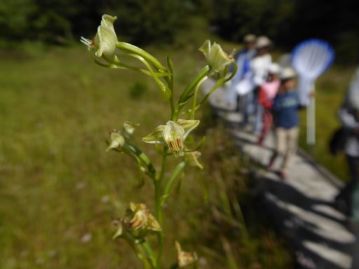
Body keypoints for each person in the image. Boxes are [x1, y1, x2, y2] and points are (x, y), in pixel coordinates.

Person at [334, 68, 359, 217]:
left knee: (356, 179)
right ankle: (353, 215)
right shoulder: (353, 94)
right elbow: (342, 112)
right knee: (357, 178)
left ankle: (342, 197)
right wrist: (353, 128)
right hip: (354, 146)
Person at [267, 68, 299, 180]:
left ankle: (284, 170)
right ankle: (272, 160)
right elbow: (273, 109)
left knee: (290, 150)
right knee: (280, 149)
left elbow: (300, 106)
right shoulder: (279, 96)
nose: (289, 84)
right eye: (286, 82)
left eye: (291, 81)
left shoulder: (295, 94)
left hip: (293, 126)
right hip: (280, 126)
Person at [226, 34, 256, 112]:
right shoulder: (240, 53)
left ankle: (243, 110)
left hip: (248, 78)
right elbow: (233, 63)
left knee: (245, 95)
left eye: (250, 43)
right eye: (247, 43)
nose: (248, 44)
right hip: (237, 76)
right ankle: (235, 107)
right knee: (235, 91)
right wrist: (229, 72)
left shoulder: (255, 54)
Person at [250, 36, 272, 134]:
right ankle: (253, 125)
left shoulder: (268, 58)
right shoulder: (254, 58)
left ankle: (257, 128)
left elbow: (269, 73)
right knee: (252, 106)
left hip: (263, 88)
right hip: (253, 86)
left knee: (260, 108)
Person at [257, 63, 280, 145]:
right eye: (271, 74)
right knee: (266, 126)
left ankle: (277, 145)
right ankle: (261, 140)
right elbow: (261, 99)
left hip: (277, 109)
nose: (272, 76)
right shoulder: (264, 85)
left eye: (274, 74)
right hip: (268, 109)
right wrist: (268, 104)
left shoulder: (279, 84)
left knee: (277, 128)